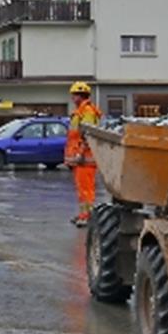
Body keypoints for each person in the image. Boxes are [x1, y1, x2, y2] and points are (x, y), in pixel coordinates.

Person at [65, 81, 102, 227]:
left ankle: (87, 216)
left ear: (81, 96)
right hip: (80, 160)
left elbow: (87, 135)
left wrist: (80, 154)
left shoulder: (87, 111)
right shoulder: (80, 111)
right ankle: (83, 214)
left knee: (87, 191)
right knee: (82, 190)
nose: (73, 98)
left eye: (75, 95)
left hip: (85, 159)